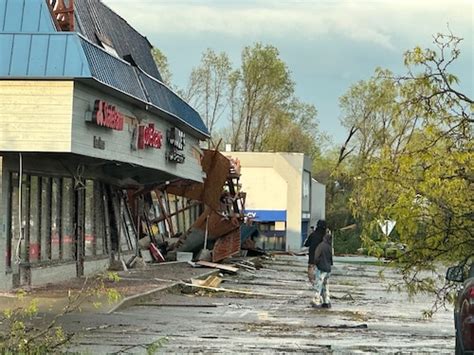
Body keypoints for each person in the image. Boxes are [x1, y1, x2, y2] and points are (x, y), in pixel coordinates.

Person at [311, 232, 333, 308]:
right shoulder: (329, 247)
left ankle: (317, 300)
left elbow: (316, 257)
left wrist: (315, 264)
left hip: (321, 269)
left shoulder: (320, 246)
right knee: (326, 285)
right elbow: (331, 259)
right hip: (328, 269)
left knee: (319, 285)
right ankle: (327, 301)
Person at [304, 220, 326, 286]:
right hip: (322, 256)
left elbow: (306, 244)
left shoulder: (313, 235)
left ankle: (312, 282)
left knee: (311, 268)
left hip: (312, 255)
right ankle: (320, 282)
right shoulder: (325, 236)